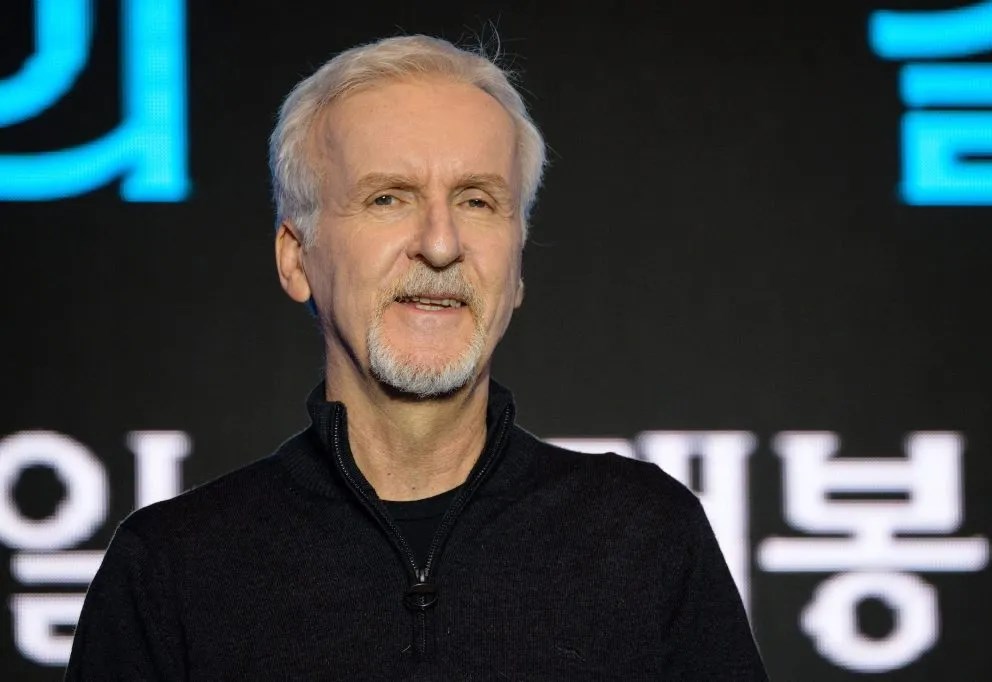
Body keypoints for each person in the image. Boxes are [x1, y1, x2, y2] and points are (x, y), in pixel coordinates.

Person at [66, 35, 768, 680]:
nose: (440, 244)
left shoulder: (644, 536)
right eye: (388, 198)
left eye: (477, 201)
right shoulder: (172, 568)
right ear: (296, 258)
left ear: (518, 264)